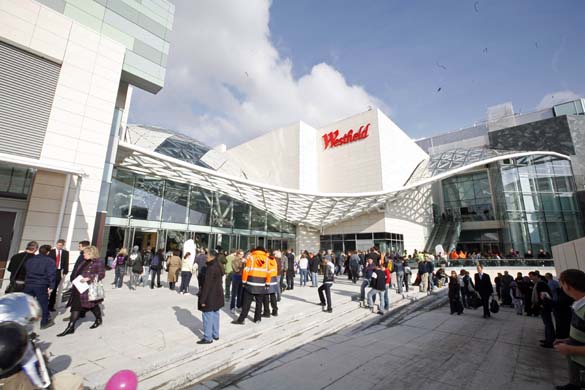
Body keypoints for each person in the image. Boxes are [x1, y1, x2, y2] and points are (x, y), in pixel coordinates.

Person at [57, 245, 105, 336]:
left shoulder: (98, 262)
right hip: (78, 287)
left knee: (92, 306)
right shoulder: (84, 261)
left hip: (88, 288)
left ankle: (98, 319)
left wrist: (89, 278)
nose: (83, 254)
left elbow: (101, 274)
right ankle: (70, 327)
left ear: (91, 253)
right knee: (75, 306)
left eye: (85, 253)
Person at [554, 269, 585, 390]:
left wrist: (569, 348)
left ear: (566, 285)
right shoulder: (579, 305)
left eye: (561, 284)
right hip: (579, 369)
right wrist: (568, 340)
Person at [232, 247, 270, 325]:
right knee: (259, 303)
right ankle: (257, 318)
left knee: (246, 303)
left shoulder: (251, 257)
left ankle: (242, 319)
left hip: (251, 283)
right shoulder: (266, 259)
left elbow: (246, 270)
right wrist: (267, 283)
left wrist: (244, 281)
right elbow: (268, 272)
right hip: (261, 283)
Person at [23, 244, 56, 329]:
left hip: (29, 283)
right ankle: (44, 323)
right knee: (43, 304)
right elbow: (51, 274)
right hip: (41, 284)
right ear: (48, 252)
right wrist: (52, 286)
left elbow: (26, 270)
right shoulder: (49, 261)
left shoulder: (31, 260)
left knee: (27, 304)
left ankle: (23, 322)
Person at [197, 253, 224, 344]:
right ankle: (215, 334)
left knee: (207, 315)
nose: (205, 258)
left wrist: (202, 300)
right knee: (215, 314)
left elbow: (207, 285)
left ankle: (208, 337)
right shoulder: (218, 266)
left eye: (207, 257)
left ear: (212, 257)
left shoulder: (210, 268)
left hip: (210, 296)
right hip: (218, 295)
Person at [535, 273, 555, 348]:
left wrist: (541, 304)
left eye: (531, 276)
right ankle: (548, 339)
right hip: (546, 306)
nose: (531, 278)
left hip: (545, 306)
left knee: (548, 324)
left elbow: (544, 296)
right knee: (547, 324)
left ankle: (550, 341)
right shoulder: (543, 283)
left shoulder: (541, 284)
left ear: (536, 276)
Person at [48, 239, 69, 312]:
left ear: (63, 246)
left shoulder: (65, 253)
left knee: (54, 289)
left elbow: (66, 263)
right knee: (47, 288)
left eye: (61, 245)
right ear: (56, 244)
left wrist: (65, 272)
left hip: (58, 272)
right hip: (50, 271)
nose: (59, 246)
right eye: (58, 245)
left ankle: (51, 306)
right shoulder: (51, 252)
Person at [262, 252, 279, 317]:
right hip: (274, 278)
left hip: (267, 278)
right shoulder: (274, 260)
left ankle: (267, 312)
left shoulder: (266, 259)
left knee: (266, 296)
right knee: (273, 296)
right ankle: (275, 311)